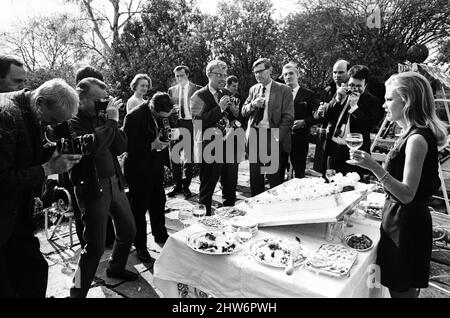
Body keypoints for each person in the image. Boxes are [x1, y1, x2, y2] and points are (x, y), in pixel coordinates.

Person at [348, 72, 448, 298]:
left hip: (406, 227)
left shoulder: (417, 139)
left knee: (401, 292)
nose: (384, 105)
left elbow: (407, 194)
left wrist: (374, 167)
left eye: (389, 99)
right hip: (403, 221)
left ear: (408, 101)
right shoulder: (411, 133)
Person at [0, 79, 81, 297]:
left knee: (35, 271)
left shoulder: (31, 111)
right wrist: (47, 168)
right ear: (41, 102)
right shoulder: (6, 115)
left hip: (17, 215)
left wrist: (52, 153)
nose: (53, 126)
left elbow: (23, 156)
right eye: (53, 120)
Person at [69, 77, 137, 298]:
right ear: (82, 98)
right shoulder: (71, 121)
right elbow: (93, 148)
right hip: (92, 188)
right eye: (99, 100)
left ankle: (115, 268)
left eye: (105, 100)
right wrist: (109, 123)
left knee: (128, 231)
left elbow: (121, 146)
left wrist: (112, 122)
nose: (103, 105)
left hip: (114, 183)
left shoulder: (103, 119)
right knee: (94, 249)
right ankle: (76, 292)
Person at [123, 92, 171, 261]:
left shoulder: (163, 114)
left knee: (159, 201)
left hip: (155, 164)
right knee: (139, 208)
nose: (163, 118)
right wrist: (152, 145)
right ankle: (141, 247)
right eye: (161, 115)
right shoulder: (133, 117)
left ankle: (160, 234)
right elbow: (127, 146)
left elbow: (164, 131)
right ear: (152, 107)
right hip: (138, 167)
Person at [190, 60, 241, 215]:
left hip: (230, 146)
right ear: (209, 74)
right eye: (219, 74)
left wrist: (234, 110)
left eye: (224, 75)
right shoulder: (198, 96)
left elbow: (234, 117)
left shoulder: (226, 93)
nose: (223, 78)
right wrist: (219, 108)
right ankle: (204, 222)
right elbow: (198, 123)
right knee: (207, 189)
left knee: (230, 186)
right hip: (211, 148)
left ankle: (229, 219)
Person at [315, 65, 380, 177]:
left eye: (358, 86)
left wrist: (355, 107)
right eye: (351, 85)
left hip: (354, 151)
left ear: (366, 85)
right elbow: (324, 116)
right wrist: (337, 99)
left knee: (352, 188)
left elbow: (368, 126)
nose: (354, 89)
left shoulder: (372, 101)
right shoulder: (341, 93)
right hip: (334, 148)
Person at [242, 58, 294, 196]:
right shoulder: (253, 89)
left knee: (274, 180)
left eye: (260, 71)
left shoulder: (284, 90)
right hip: (255, 137)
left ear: (270, 70)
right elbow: (243, 111)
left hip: (273, 136)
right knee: (255, 179)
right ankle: (256, 211)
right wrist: (253, 104)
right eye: (255, 73)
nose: (258, 75)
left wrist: (275, 138)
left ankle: (274, 211)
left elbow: (288, 118)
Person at [280, 62, 319, 179]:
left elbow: (317, 116)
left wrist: (304, 122)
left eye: (291, 73)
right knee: (278, 172)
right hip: (281, 139)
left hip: (300, 139)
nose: (288, 76)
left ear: (298, 75)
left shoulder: (309, 94)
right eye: (285, 74)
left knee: (299, 173)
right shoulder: (279, 94)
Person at [167, 65, 201, 199]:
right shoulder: (171, 90)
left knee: (188, 158)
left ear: (187, 75)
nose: (179, 78)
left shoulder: (197, 89)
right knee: (175, 156)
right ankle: (177, 186)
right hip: (176, 125)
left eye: (182, 75)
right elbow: (167, 109)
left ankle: (186, 187)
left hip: (190, 124)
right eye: (177, 76)